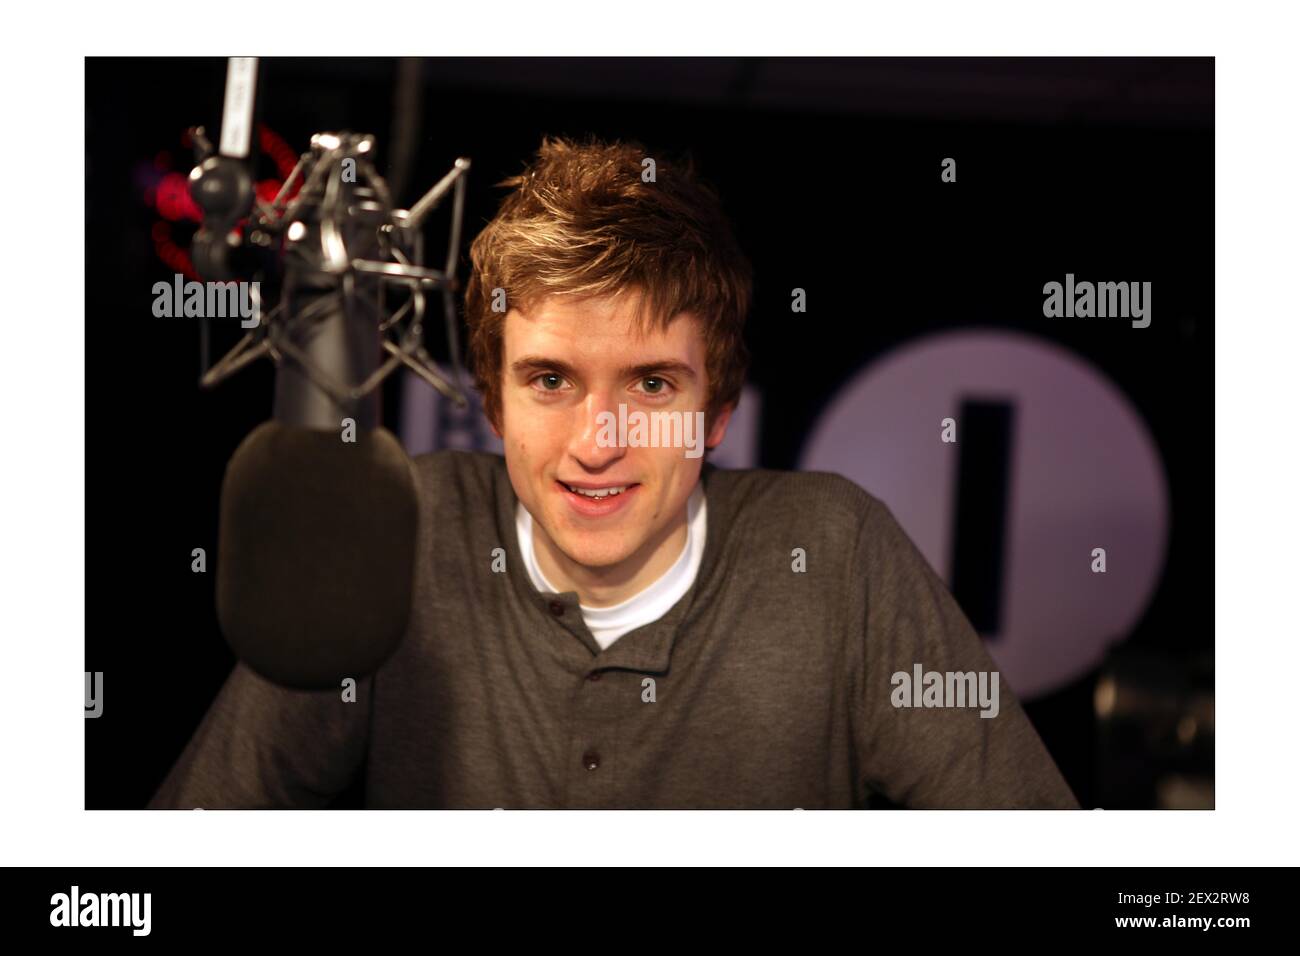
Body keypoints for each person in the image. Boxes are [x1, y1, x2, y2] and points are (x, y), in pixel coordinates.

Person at [150, 135, 1078, 809]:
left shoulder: (835, 550)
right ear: (492, 400)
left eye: (650, 383)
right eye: (550, 380)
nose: (600, 440)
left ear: (717, 413)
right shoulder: (402, 526)